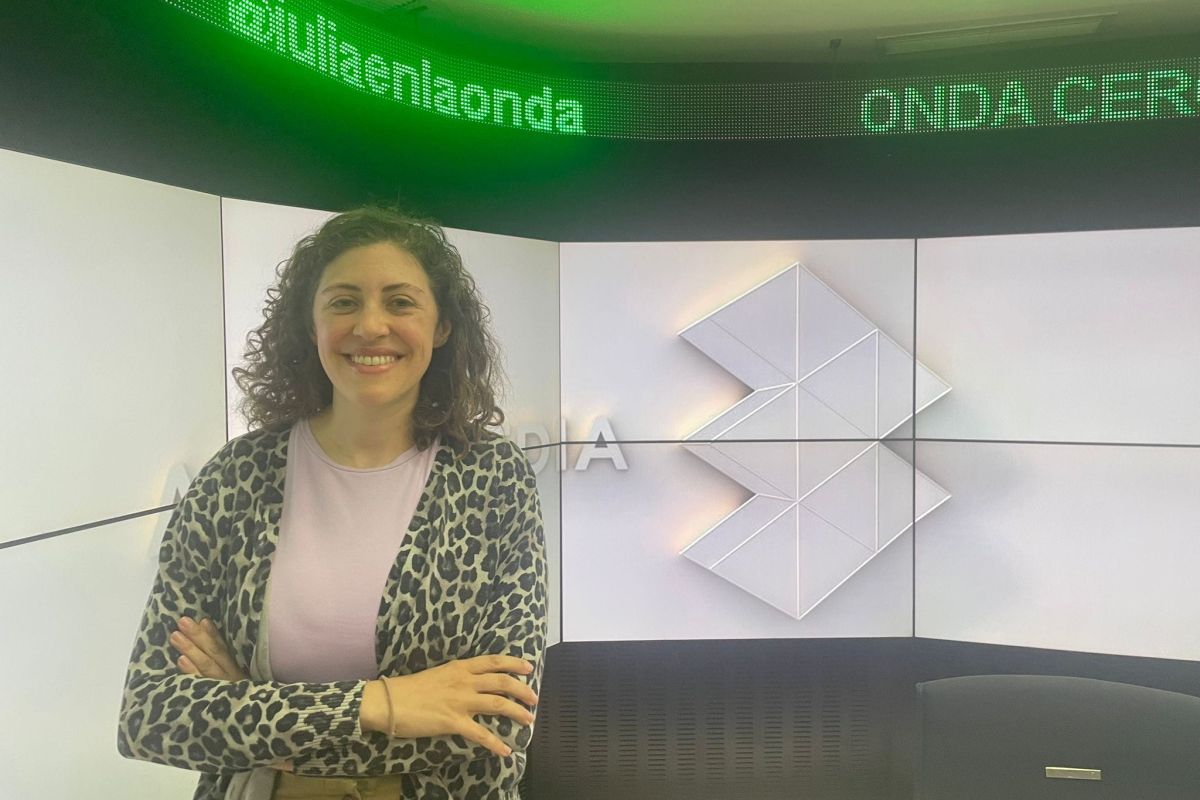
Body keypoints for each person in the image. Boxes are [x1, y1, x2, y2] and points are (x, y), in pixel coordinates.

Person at [116, 206, 547, 800]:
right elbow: (150, 716)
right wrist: (387, 702)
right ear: (311, 323)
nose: (370, 326)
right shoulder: (236, 477)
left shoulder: (494, 477)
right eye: (343, 302)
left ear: (442, 326)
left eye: (400, 302)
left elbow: (498, 726)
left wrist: (250, 708)